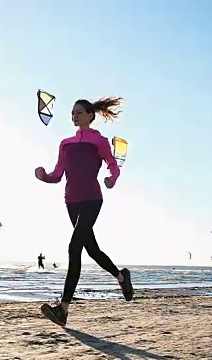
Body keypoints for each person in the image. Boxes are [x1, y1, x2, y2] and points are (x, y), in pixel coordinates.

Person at [35, 96, 133, 326]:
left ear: (90, 115)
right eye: (72, 112)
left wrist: (112, 178)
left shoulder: (98, 141)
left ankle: (63, 309)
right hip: (71, 201)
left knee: (73, 248)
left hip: (91, 199)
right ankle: (121, 278)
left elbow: (112, 163)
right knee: (92, 249)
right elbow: (58, 174)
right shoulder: (65, 143)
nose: (74, 115)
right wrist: (43, 177)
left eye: (78, 112)